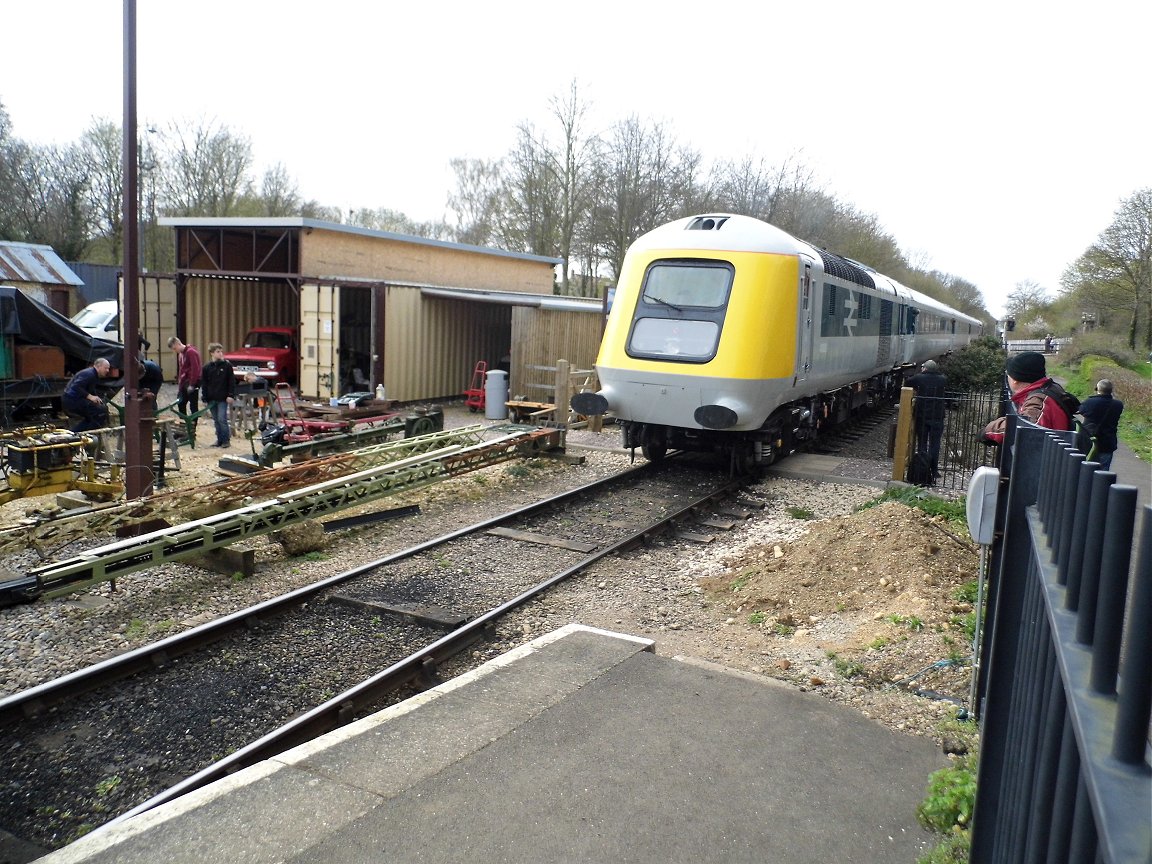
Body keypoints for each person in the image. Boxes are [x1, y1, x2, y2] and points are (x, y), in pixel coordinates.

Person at [983, 351, 1073, 445]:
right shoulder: (1049, 388)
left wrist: (988, 431)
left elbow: (1024, 426)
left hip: (1049, 456)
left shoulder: (1038, 401)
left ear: (1015, 380)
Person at [907, 360, 948, 482]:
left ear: (925, 368)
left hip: (922, 415)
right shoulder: (943, 379)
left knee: (922, 443)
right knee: (935, 444)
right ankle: (934, 470)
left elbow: (908, 383)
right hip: (938, 416)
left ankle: (922, 469)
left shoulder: (919, 378)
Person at [1077, 379, 1124, 469]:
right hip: (1108, 442)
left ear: (1097, 389)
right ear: (1111, 390)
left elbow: (1080, 410)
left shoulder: (1090, 402)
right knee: (1103, 472)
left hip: (1089, 439)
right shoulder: (1118, 405)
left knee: (1084, 469)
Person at [200, 342, 237, 448]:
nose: (221, 353)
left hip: (222, 398)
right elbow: (205, 383)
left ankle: (226, 440)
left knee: (222, 418)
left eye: (221, 351)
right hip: (212, 398)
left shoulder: (227, 366)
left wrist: (231, 395)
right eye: (218, 351)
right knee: (216, 419)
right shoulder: (207, 367)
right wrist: (205, 396)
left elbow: (231, 382)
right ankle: (219, 439)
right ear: (212, 353)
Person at [62, 357, 113, 433]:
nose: (107, 371)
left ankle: (75, 433)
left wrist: (97, 399)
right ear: (98, 366)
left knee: (93, 416)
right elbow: (76, 387)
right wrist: (90, 397)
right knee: (99, 413)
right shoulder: (89, 374)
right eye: (106, 368)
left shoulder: (94, 375)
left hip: (75, 399)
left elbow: (90, 390)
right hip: (71, 400)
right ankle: (90, 435)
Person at [167, 336, 202, 419]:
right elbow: (181, 371)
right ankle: (184, 424)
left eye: (175, 348)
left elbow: (195, 369)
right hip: (185, 381)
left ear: (178, 343)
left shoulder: (191, 352)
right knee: (181, 403)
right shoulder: (181, 355)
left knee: (193, 406)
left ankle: (192, 428)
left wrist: (192, 384)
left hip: (192, 382)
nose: (175, 351)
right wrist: (180, 386)